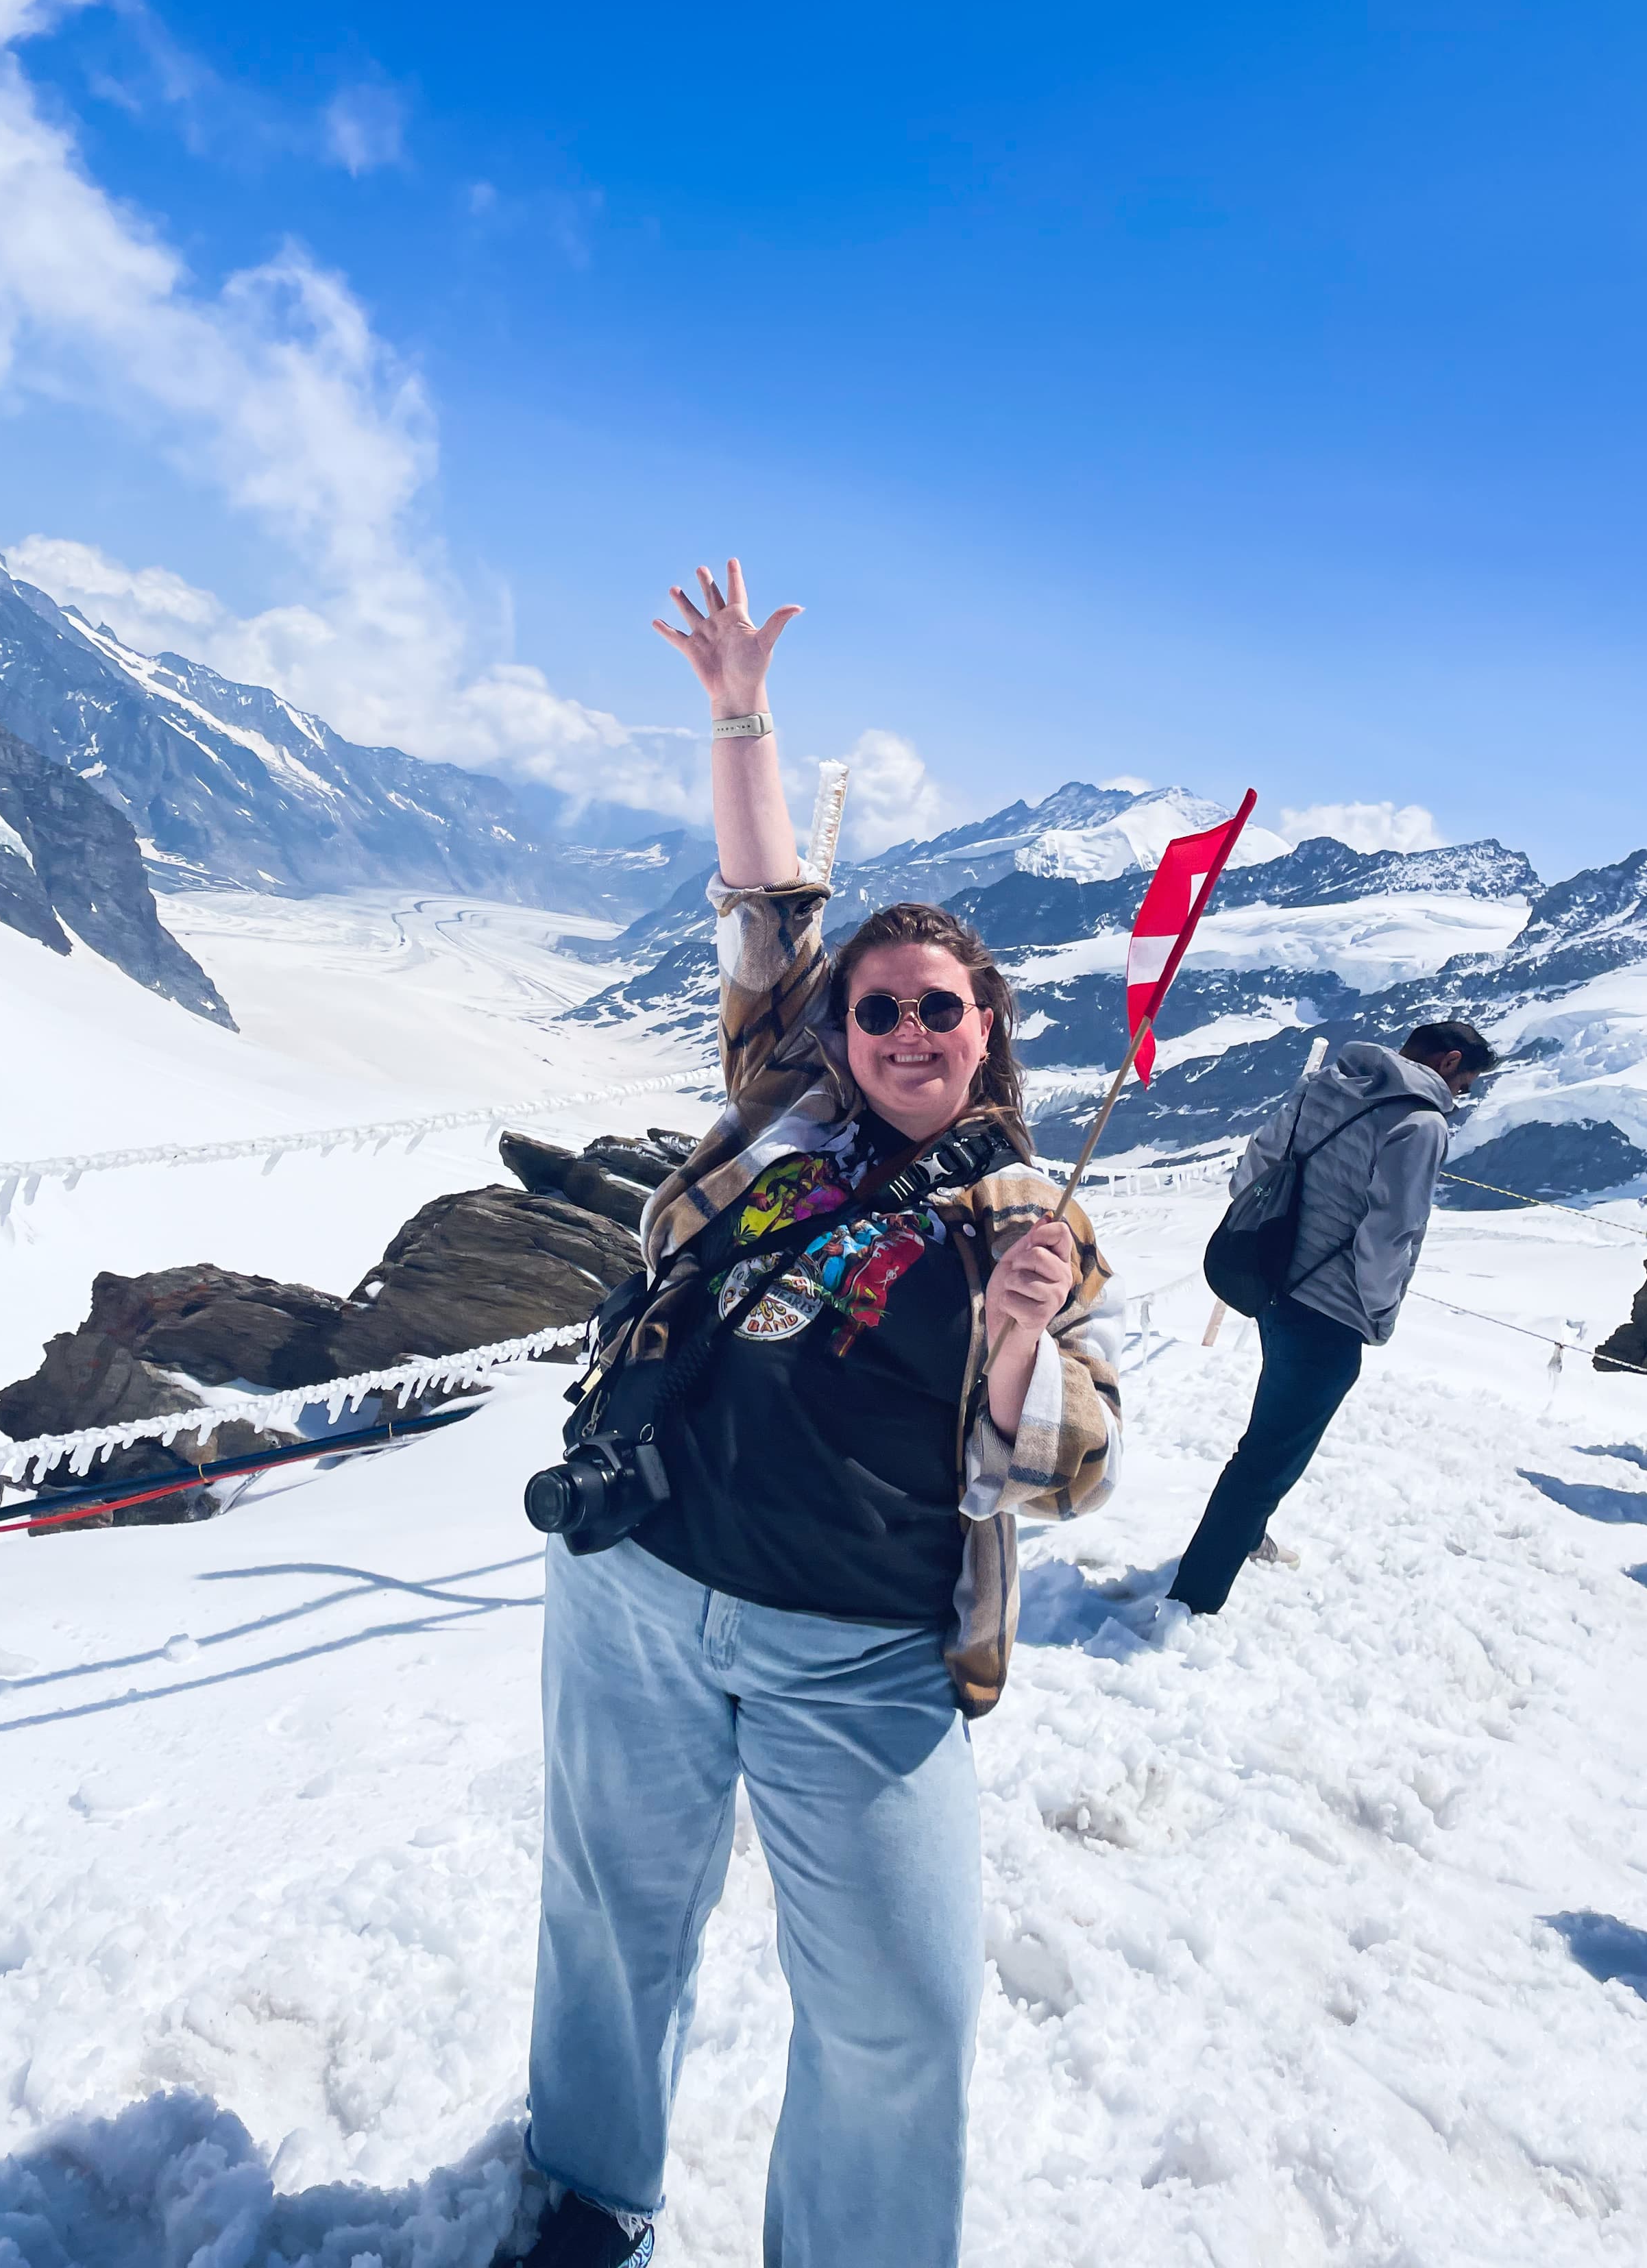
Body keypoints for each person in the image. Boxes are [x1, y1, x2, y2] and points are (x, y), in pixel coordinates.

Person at [515, 561, 1125, 2268]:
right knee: (607, 1919)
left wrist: (1019, 1340)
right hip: (635, 1579)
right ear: (842, 1033)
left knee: (895, 2017)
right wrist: (738, 713)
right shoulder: (783, 1110)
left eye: (944, 1006)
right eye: (882, 1007)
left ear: (990, 1031)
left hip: (853, 1653)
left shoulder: (1030, 1214)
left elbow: (1069, 1471)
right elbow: (767, 904)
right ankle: (584, 2192)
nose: (910, 1027)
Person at [1167, 1019, 1497, 1618]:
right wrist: (1377, 1313)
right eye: (1468, 1085)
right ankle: (1194, 1597)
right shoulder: (1421, 1124)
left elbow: (1258, 1162)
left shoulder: (1326, 1083)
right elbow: (1391, 1231)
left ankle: (1243, 1535)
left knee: (1271, 1433)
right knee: (1270, 1453)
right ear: (1449, 1063)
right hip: (1332, 1306)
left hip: (1271, 1280)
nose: (1462, 1099)